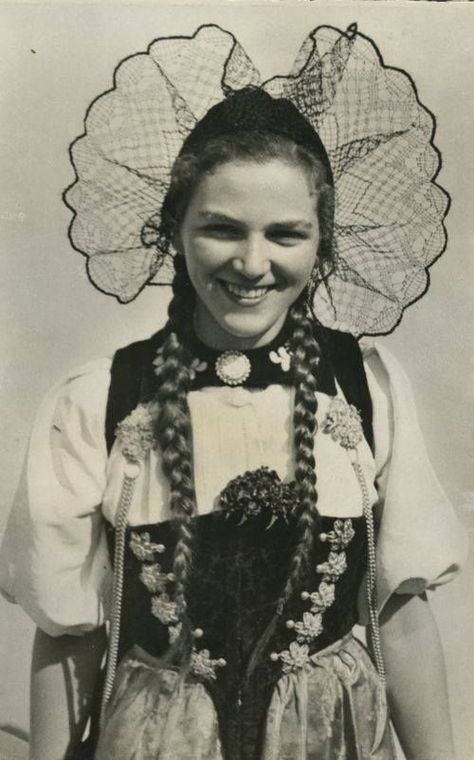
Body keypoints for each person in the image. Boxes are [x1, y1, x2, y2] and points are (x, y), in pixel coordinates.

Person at [0, 23, 468, 760]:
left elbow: (401, 612)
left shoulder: (365, 390)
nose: (253, 264)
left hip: (329, 740)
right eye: (221, 229)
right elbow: (69, 636)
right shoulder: (100, 401)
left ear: (323, 245)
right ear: (173, 232)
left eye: (286, 234)